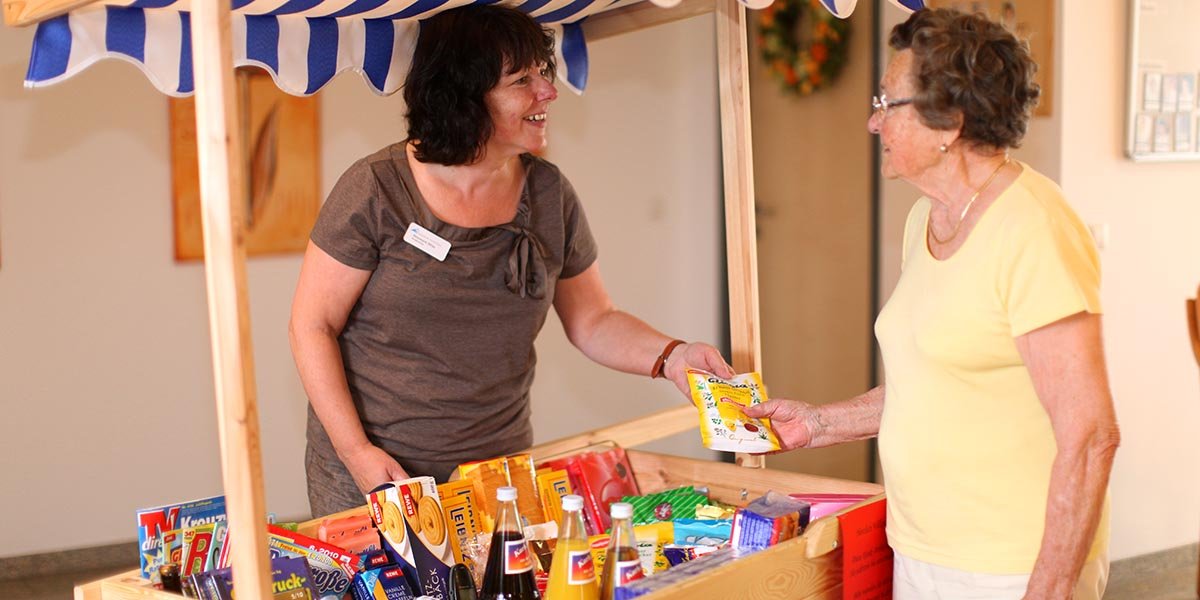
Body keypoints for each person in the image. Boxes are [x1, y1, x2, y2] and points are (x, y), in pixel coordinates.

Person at [289, 5, 733, 518]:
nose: (548, 91)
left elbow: (594, 321)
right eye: (522, 79)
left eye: (544, 72)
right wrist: (356, 453)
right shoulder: (376, 190)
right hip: (376, 476)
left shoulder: (550, 195)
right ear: (464, 97)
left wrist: (673, 356)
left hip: (495, 476)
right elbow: (311, 325)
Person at [744, 9, 1119, 599]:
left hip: (1011, 565)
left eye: (887, 103)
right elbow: (934, 386)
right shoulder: (926, 218)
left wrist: (1049, 587)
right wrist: (818, 424)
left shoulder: (1034, 228)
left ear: (950, 122)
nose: (872, 122)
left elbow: (1091, 434)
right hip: (922, 549)